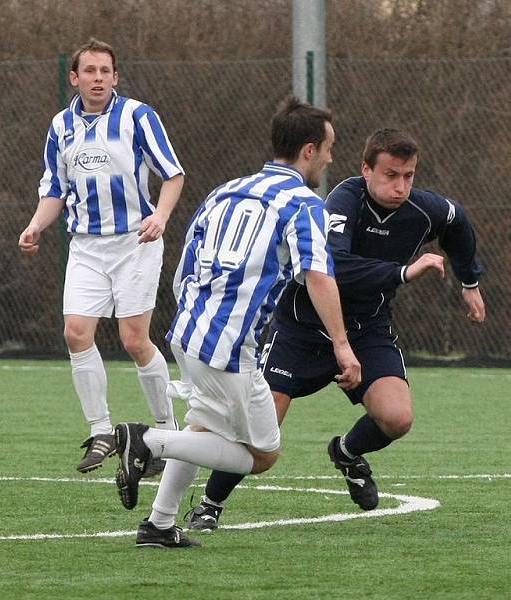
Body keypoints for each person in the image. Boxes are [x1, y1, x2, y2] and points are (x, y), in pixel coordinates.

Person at [186, 128, 485, 531]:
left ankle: (346, 453)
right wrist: (403, 272)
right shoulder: (343, 201)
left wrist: (470, 282)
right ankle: (210, 503)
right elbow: (334, 267)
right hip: (303, 330)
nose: (400, 186)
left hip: (367, 331)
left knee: (397, 417)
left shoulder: (423, 209)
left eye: (409, 176)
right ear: (366, 169)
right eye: (391, 175)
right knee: (261, 433)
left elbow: (457, 221)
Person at [109, 96, 361, 548]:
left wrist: (196, 318)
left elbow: (184, 268)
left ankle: (159, 524)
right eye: (328, 147)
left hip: (188, 335)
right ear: (308, 149)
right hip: (229, 349)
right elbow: (318, 276)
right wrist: (342, 344)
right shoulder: (304, 204)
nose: (330, 156)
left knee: (204, 428)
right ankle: (147, 441)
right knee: (263, 454)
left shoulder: (224, 190)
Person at [18, 38, 184, 475]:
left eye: (104, 71)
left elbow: (173, 174)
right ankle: (102, 431)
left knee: (134, 340)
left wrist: (161, 217)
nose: (97, 79)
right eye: (88, 71)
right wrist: (36, 224)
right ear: (74, 78)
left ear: (116, 77)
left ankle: (167, 437)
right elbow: (54, 188)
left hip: (136, 241)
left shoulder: (137, 116)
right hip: (86, 246)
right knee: (76, 333)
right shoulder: (60, 126)